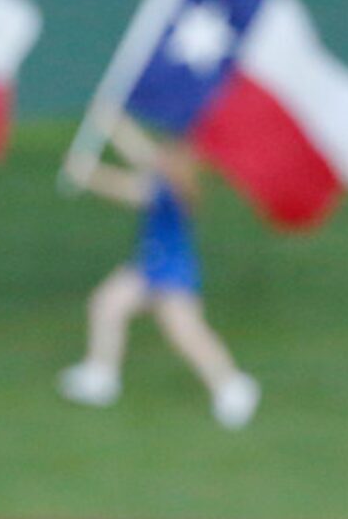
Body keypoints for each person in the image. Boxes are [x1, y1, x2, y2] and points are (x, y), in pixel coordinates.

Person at [58, 113, 259, 429]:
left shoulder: (170, 190)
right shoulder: (169, 174)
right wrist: (113, 123)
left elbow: (126, 188)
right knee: (107, 305)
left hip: (171, 274)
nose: (160, 155)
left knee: (186, 332)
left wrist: (87, 173)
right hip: (149, 266)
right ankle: (100, 376)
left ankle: (232, 386)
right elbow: (141, 152)